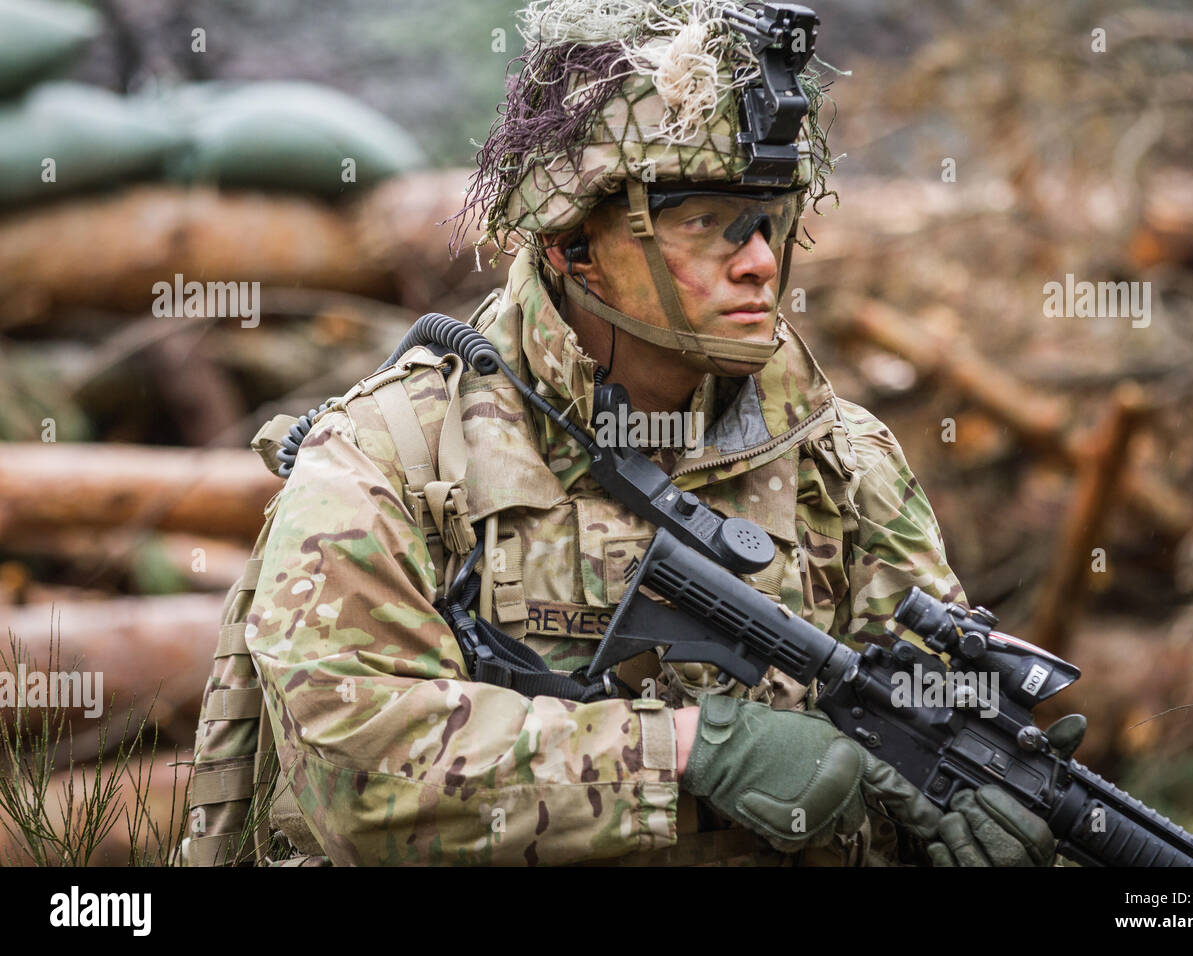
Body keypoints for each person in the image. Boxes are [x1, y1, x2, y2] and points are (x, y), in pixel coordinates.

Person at [240, 0, 1058, 866]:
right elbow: (358, 776)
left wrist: (963, 800)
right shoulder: (393, 455)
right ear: (570, 244)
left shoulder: (844, 467)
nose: (760, 262)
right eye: (706, 222)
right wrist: (679, 750)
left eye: (769, 217)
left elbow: (901, 738)